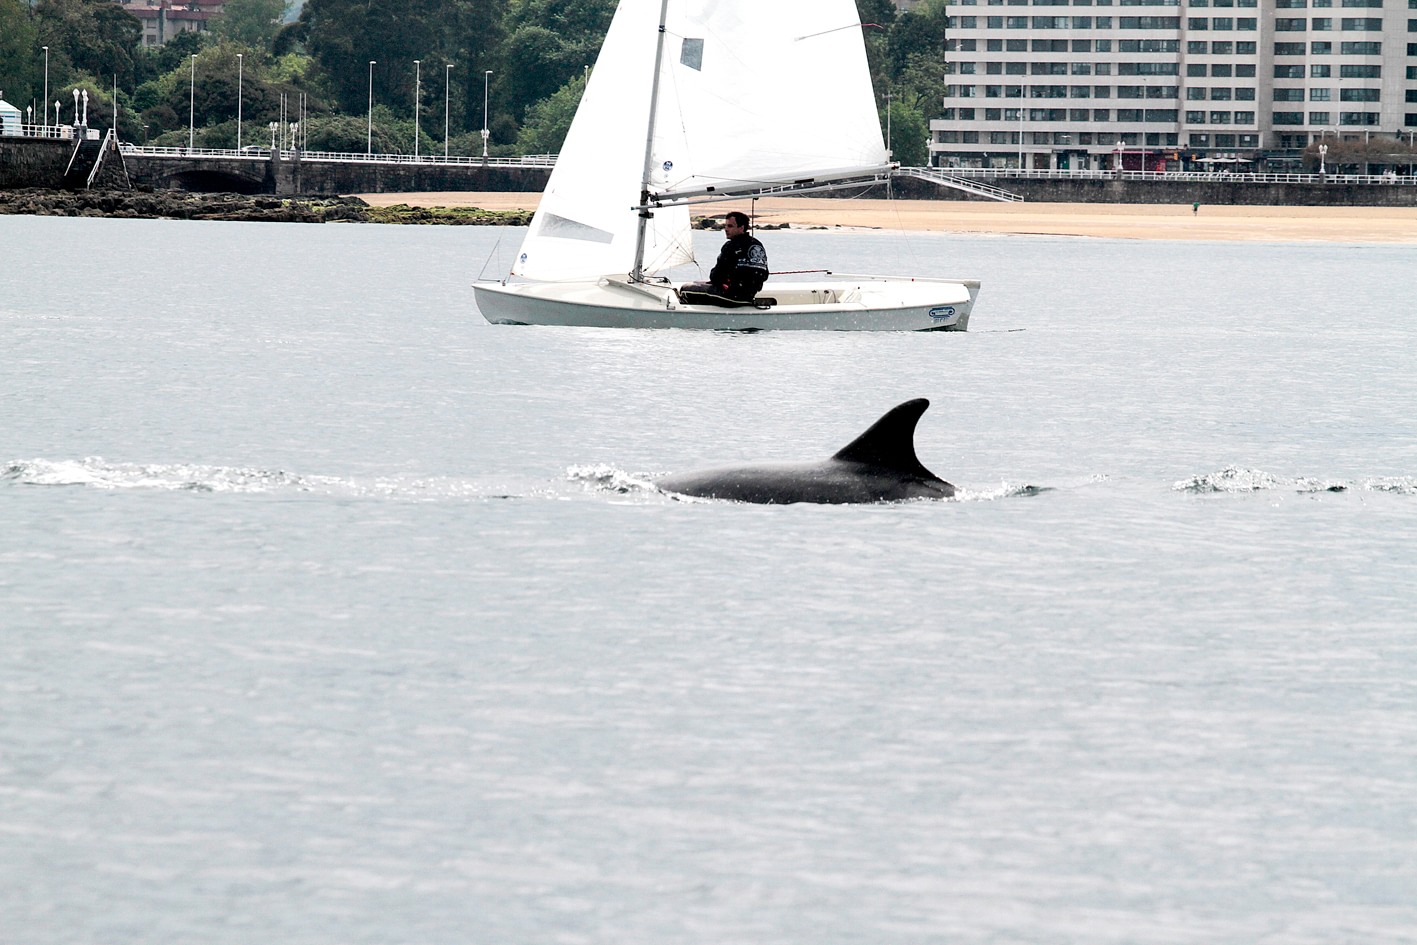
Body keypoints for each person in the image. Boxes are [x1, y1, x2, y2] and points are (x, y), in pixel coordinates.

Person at [680, 211, 769, 305]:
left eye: (730, 226)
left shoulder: (731, 246)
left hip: (730, 296)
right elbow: (764, 274)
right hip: (749, 296)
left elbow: (715, 276)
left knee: (685, 289)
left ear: (741, 228)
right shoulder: (757, 245)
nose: (726, 229)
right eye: (725, 226)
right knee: (698, 283)